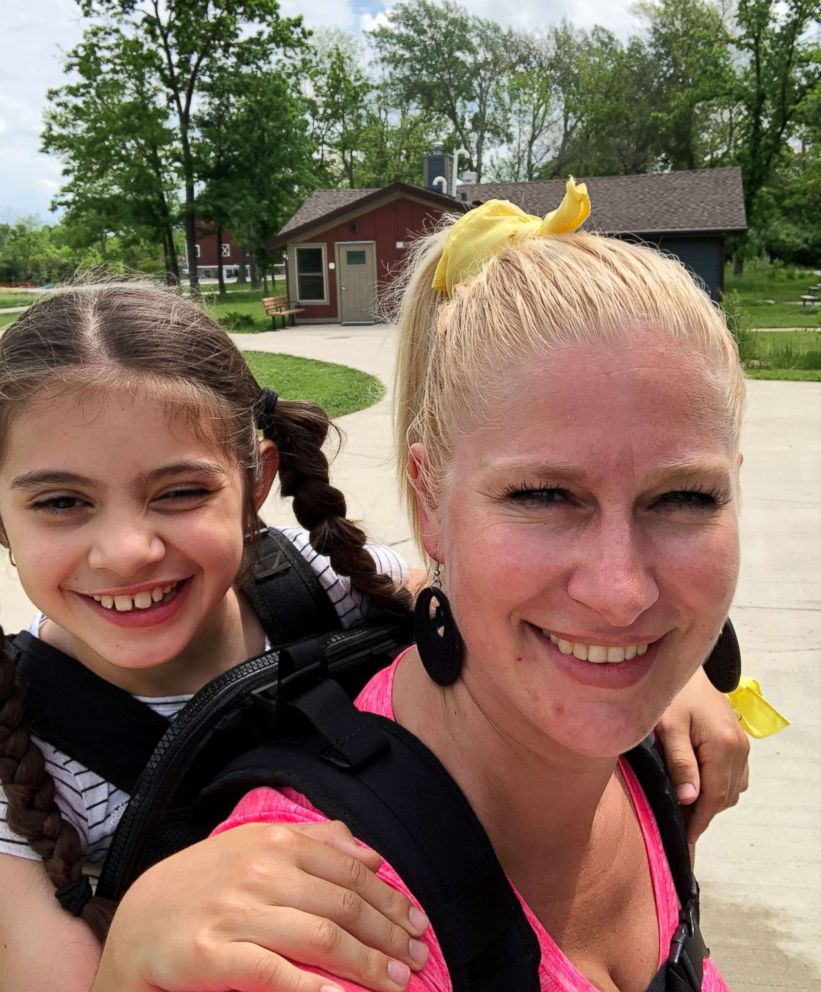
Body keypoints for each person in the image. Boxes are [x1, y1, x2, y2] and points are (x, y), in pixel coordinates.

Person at [90, 182, 753, 992]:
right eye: (541, 496)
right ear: (427, 500)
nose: (619, 592)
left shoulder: (649, 757)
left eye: (683, 498)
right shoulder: (320, 930)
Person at [0, 283, 431, 992]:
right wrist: (139, 933)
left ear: (255, 481)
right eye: (61, 503)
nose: (126, 551)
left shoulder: (322, 581)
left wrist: (633, 684)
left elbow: (493, 622)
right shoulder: (20, 760)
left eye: (179, 492)